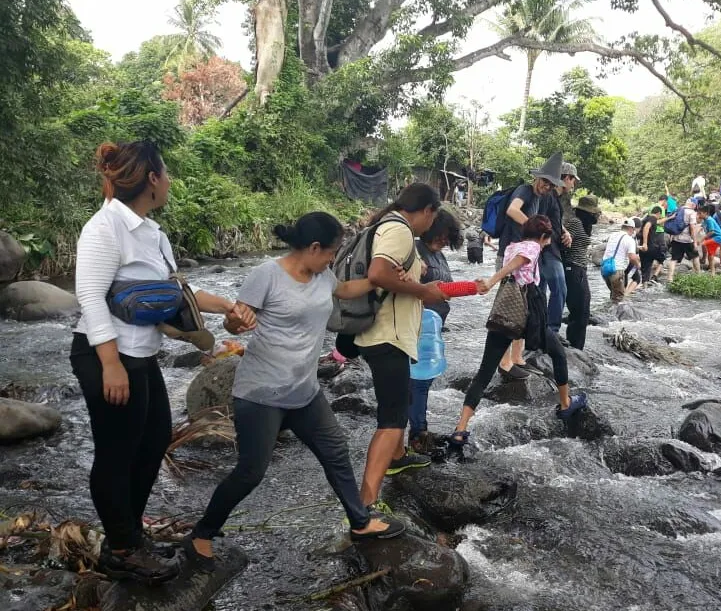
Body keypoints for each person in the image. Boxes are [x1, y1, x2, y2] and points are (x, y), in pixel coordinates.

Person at [72, 141, 256, 584]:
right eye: (167, 173)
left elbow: (179, 295)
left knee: (153, 443)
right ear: (152, 178)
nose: (170, 180)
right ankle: (121, 550)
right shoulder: (104, 227)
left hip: (142, 356)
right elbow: (90, 298)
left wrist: (230, 307)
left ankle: (130, 535)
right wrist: (111, 364)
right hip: (107, 357)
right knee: (117, 454)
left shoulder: (153, 234)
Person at [183, 213, 409, 572]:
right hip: (261, 394)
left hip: (304, 391)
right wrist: (234, 322)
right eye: (330, 253)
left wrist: (377, 281)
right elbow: (236, 319)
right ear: (314, 247)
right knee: (250, 472)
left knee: (335, 450)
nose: (332, 261)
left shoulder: (323, 275)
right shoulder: (266, 276)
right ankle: (201, 535)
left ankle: (361, 523)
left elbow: (343, 290)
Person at [447, 216, 588, 448]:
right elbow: (521, 261)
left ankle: (460, 429)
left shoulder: (512, 245)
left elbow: (513, 263)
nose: (545, 245)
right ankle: (565, 404)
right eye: (546, 240)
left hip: (507, 313)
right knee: (559, 354)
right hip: (528, 313)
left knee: (484, 372)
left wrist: (496, 280)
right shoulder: (532, 246)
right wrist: (492, 280)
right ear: (543, 237)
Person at [354, 183, 449, 509]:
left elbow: (385, 275)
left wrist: (415, 279)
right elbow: (379, 273)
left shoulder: (385, 225)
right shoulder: (400, 229)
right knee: (392, 421)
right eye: (432, 218)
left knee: (395, 408)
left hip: (380, 333)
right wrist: (423, 291)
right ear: (426, 211)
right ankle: (364, 506)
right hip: (387, 337)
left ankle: (397, 457)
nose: (431, 226)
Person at [494, 153, 565, 380]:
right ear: (537, 179)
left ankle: (518, 358)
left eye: (551, 184)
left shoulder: (541, 198)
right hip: (512, 255)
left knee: (524, 310)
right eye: (545, 182)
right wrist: (534, 228)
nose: (547, 187)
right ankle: (504, 362)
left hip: (527, 258)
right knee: (508, 312)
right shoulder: (525, 191)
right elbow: (512, 210)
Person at [409, 209, 463, 453]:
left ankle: (419, 430)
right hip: (415, 326)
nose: (444, 241)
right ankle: (417, 434)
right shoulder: (413, 251)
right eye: (441, 235)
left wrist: (474, 287)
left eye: (448, 237)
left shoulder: (439, 256)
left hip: (434, 328)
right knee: (417, 383)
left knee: (424, 381)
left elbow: (448, 286)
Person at [539, 160, 575, 334]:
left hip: (548, 250)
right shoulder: (549, 197)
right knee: (560, 290)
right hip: (547, 251)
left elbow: (553, 222)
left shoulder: (555, 199)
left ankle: (540, 330)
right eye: (573, 179)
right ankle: (551, 331)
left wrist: (564, 231)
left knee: (541, 291)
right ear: (566, 178)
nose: (573, 184)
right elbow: (539, 220)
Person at [561, 194, 600, 350]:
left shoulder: (583, 224)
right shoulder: (575, 223)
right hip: (573, 267)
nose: (597, 216)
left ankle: (576, 347)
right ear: (587, 213)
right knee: (580, 311)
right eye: (594, 213)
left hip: (579, 268)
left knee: (582, 311)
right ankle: (575, 348)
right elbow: (563, 243)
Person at [602, 218, 641, 302]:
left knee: (613, 295)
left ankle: (607, 313)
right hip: (616, 270)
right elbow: (632, 257)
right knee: (619, 300)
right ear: (631, 228)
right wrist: (638, 265)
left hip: (605, 268)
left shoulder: (613, 235)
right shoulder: (629, 239)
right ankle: (614, 315)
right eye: (633, 229)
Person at [665, 200, 700, 283]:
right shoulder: (692, 213)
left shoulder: (678, 210)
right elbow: (692, 228)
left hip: (676, 238)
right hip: (687, 240)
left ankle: (670, 278)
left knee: (673, 259)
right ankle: (698, 276)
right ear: (694, 205)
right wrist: (694, 242)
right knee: (695, 256)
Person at [638, 206, 666, 284]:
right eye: (660, 216)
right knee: (662, 258)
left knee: (645, 270)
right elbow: (647, 227)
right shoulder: (653, 218)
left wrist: (669, 218)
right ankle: (654, 276)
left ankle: (644, 286)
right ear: (658, 213)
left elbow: (657, 222)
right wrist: (645, 243)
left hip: (642, 249)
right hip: (649, 247)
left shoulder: (647, 218)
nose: (659, 217)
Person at [701, 204, 721, 274]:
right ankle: (712, 272)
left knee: (703, 244)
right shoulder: (705, 220)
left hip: (717, 237)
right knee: (710, 255)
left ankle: (712, 269)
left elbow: (712, 231)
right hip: (713, 237)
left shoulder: (709, 220)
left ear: (706, 213)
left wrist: (702, 239)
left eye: (700, 213)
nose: (698, 215)